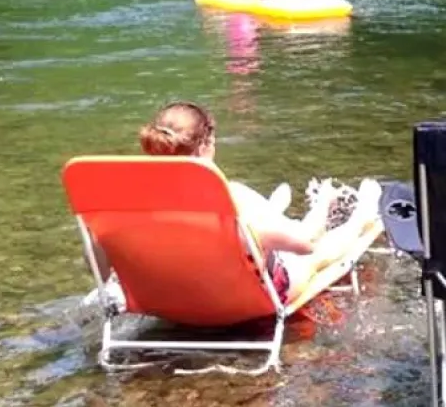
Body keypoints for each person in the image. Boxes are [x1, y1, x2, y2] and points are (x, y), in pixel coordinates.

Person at [86, 101, 378, 302]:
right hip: (239, 302)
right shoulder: (228, 196)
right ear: (205, 145)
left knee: (253, 232)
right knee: (316, 254)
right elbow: (304, 244)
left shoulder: (124, 202)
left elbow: (98, 265)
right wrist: (323, 204)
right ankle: (362, 214)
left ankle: (272, 215)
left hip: (169, 301)